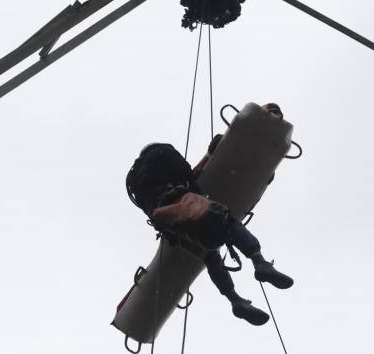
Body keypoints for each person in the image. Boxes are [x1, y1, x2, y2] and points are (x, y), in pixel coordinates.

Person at [126, 139, 293, 326]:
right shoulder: (162, 154)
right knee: (227, 220)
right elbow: (188, 175)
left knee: (209, 254)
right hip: (181, 202)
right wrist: (210, 155)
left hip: (168, 223)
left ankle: (235, 300)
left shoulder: (134, 180)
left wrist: (208, 156)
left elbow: (144, 205)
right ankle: (259, 262)